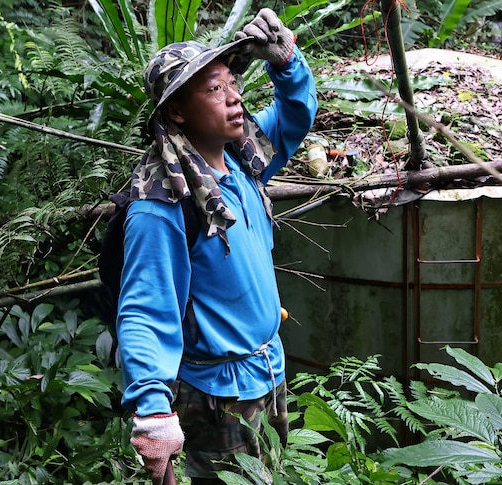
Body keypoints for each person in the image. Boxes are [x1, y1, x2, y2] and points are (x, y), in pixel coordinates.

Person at [117, 8, 317, 484]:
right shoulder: (165, 204)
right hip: (218, 395)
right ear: (177, 111)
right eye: (213, 89)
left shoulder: (242, 163)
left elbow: (294, 116)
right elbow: (144, 309)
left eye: (233, 84)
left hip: (268, 369)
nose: (234, 100)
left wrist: (286, 62)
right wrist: (152, 409)